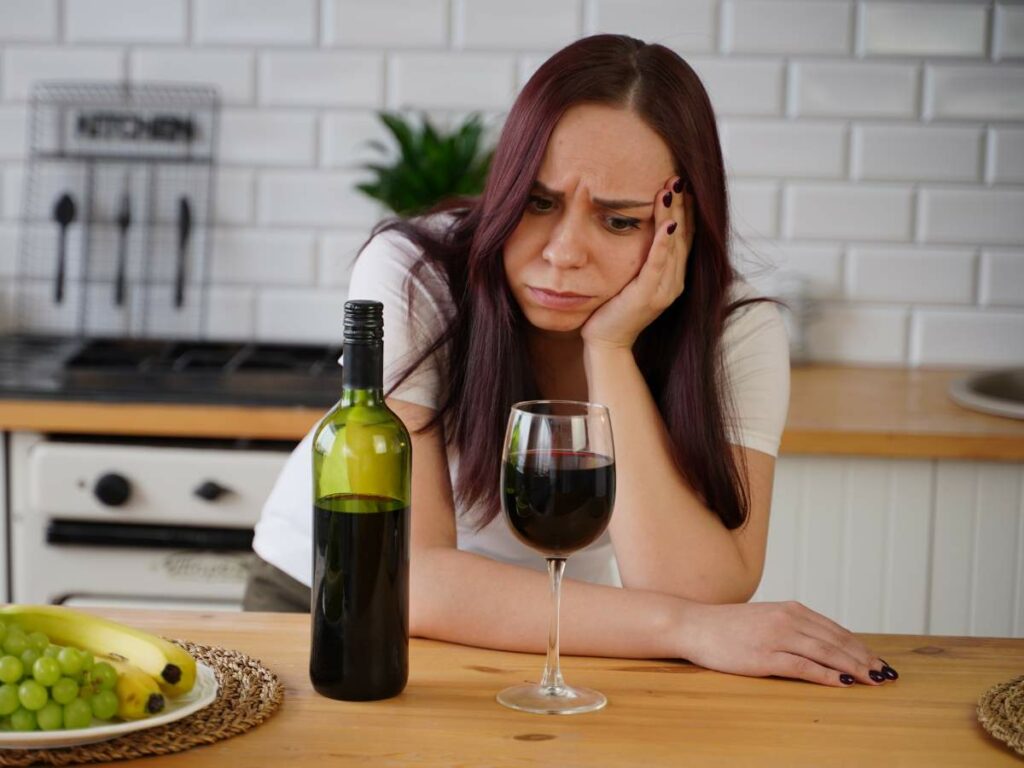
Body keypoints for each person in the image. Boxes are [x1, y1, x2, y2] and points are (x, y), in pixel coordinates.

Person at [245, 34, 898, 688]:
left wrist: (609, 350)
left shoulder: (736, 328)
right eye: (539, 203)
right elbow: (412, 577)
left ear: (681, 224)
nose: (563, 253)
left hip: (570, 634)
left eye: (619, 222)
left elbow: (701, 592)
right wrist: (682, 629)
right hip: (337, 605)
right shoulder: (417, 273)